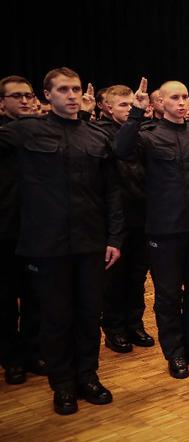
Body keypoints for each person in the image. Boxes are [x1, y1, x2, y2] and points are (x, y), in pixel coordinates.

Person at [0, 67, 124, 415]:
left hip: (90, 242)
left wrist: (114, 237)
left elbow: (112, 192)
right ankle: (63, 386)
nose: (71, 95)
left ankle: (88, 377)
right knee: (56, 318)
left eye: (76, 89)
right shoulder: (25, 132)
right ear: (47, 96)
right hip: (47, 245)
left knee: (88, 315)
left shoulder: (96, 136)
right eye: (64, 90)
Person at [115, 78, 189, 379]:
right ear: (160, 103)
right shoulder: (148, 137)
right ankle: (174, 354)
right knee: (168, 295)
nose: (181, 103)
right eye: (174, 98)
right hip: (163, 230)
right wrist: (136, 113)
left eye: (185, 97)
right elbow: (121, 151)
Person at [92, 85, 155, 354]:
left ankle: (134, 322)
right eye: (124, 106)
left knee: (137, 275)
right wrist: (136, 117)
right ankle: (114, 328)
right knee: (114, 280)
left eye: (133, 105)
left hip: (141, 216)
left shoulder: (140, 131)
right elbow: (120, 149)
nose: (131, 110)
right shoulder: (100, 133)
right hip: (114, 221)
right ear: (106, 107)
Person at [0, 75, 44, 386]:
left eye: (29, 95)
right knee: (5, 301)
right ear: (2, 103)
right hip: (5, 232)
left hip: (39, 231)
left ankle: (32, 352)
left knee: (36, 298)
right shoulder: (6, 136)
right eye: (17, 96)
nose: (26, 101)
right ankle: (11, 358)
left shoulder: (40, 136)